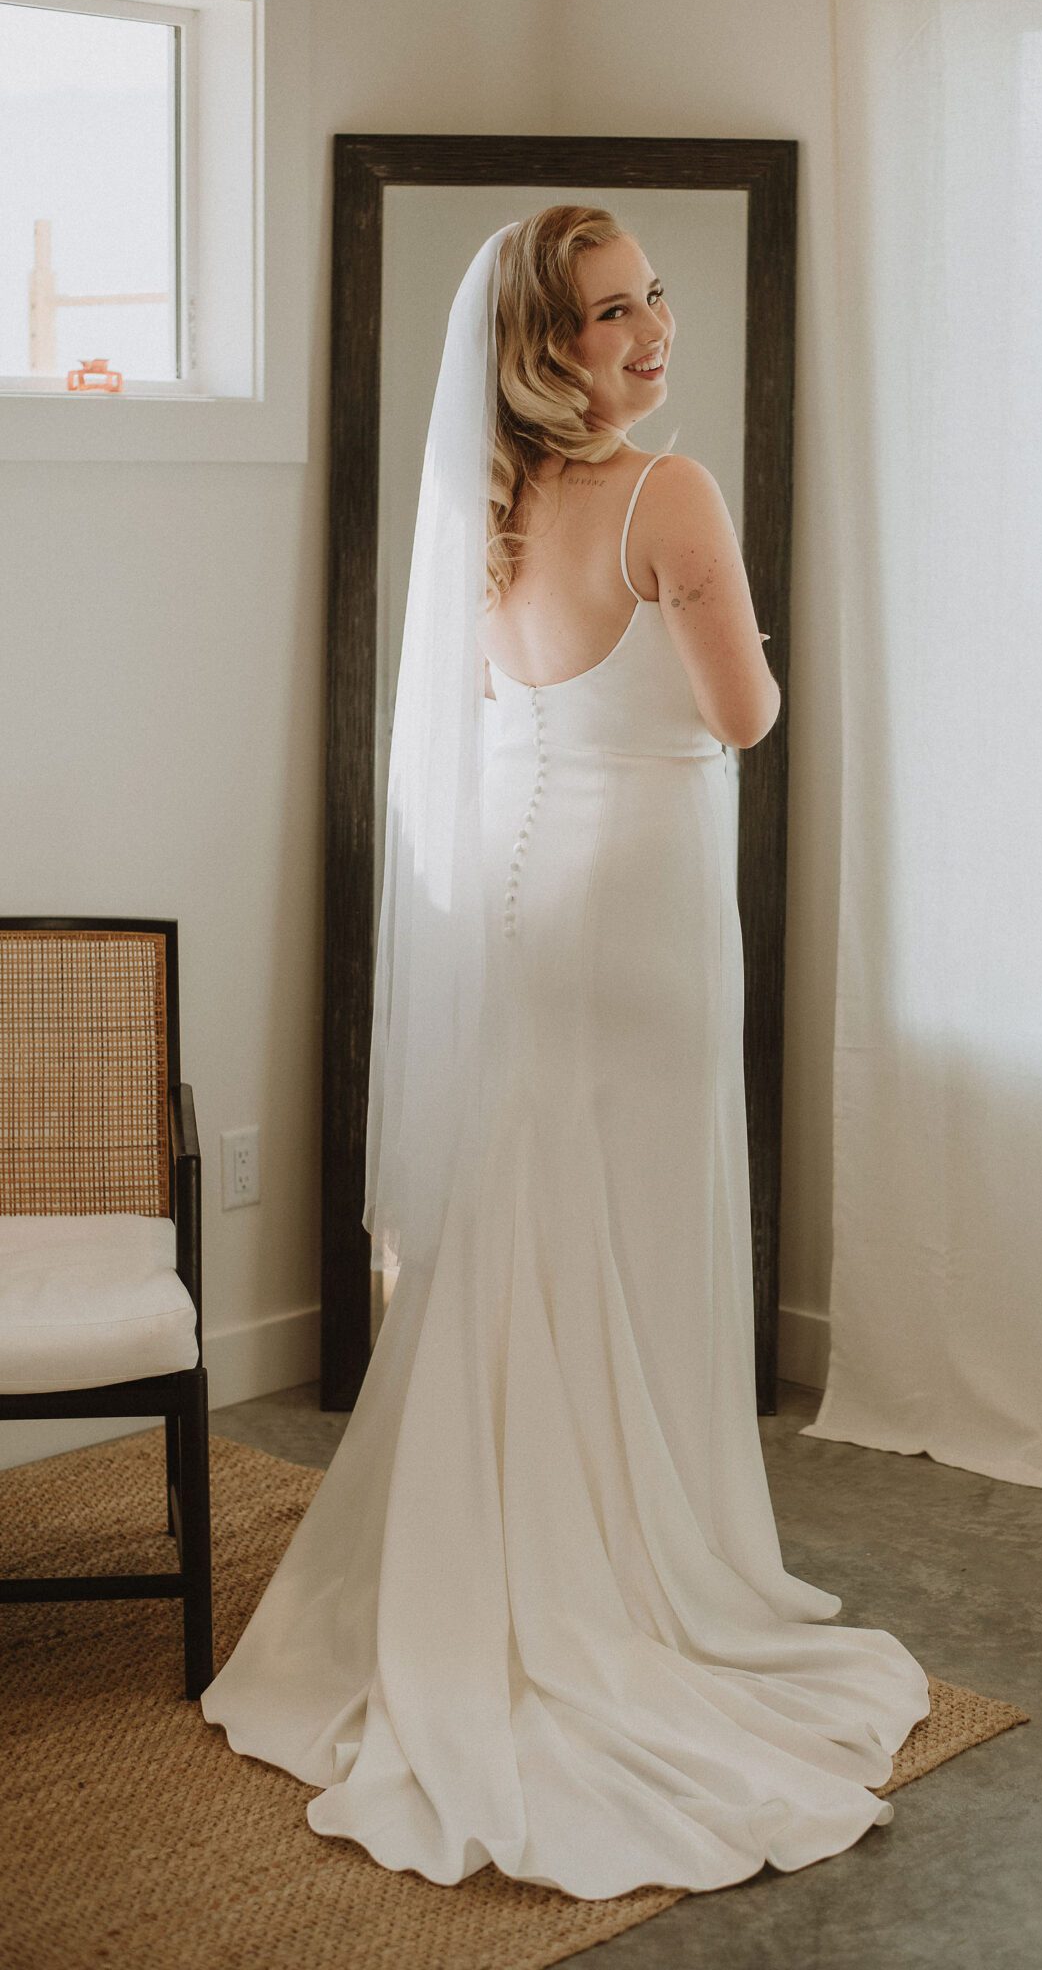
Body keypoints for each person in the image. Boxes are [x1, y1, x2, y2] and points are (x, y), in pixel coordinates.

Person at [200, 205, 930, 1901]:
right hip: (646, 919)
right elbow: (742, 716)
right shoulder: (668, 495)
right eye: (615, 314)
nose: (653, 331)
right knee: (642, 1226)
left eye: (654, 297)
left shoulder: (494, 503)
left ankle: (504, 1555)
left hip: (532, 900)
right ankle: (620, 1583)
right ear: (549, 347)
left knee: (531, 1218)